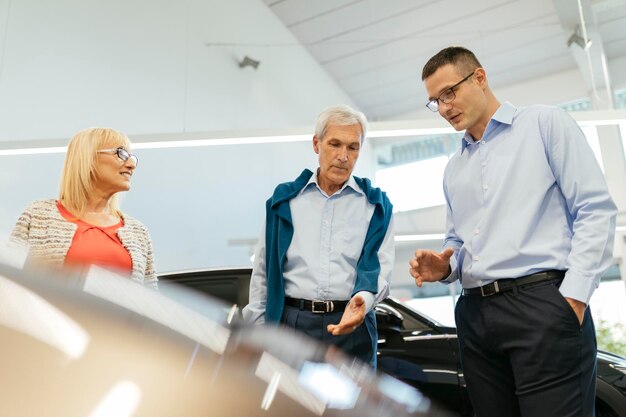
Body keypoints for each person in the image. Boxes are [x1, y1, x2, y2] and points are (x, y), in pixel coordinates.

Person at [409, 46, 617, 417]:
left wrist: (573, 299)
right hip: (475, 315)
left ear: (479, 77)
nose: (443, 108)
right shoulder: (453, 168)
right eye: (435, 101)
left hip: (543, 305)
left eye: (449, 93)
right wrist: (443, 265)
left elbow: (594, 210)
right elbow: (458, 242)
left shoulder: (544, 124)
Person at [243, 105, 394, 366]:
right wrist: (258, 330)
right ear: (317, 143)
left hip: (352, 325)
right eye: (335, 144)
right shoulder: (285, 202)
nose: (343, 156)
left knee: (351, 407)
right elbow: (263, 273)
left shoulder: (375, 206)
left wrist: (363, 301)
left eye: (352, 147)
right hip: (292, 324)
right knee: (290, 406)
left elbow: (382, 268)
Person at [10, 127, 158, 289]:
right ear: (88, 158)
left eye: (131, 157)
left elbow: (151, 298)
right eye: (120, 153)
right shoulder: (38, 215)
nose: (131, 165)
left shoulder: (138, 232)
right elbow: (7, 283)